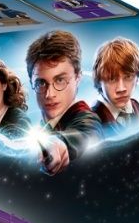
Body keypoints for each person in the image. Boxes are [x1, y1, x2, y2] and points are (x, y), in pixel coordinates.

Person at [26, 30, 103, 174]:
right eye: (41, 83)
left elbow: (88, 133)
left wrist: (61, 142)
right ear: (31, 82)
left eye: (60, 80)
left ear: (78, 78)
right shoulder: (42, 127)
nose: (50, 94)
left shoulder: (87, 119)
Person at [91, 38, 139, 130]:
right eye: (112, 79)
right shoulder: (90, 122)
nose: (121, 89)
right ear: (99, 81)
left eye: (128, 77)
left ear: (137, 79)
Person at [41, 0, 114, 19]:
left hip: (94, 8)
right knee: (88, 17)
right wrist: (58, 9)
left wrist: (99, 4)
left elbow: (91, 1)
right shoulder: (58, 3)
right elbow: (56, 7)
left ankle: (109, 16)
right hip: (79, 11)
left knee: (105, 13)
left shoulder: (81, 0)